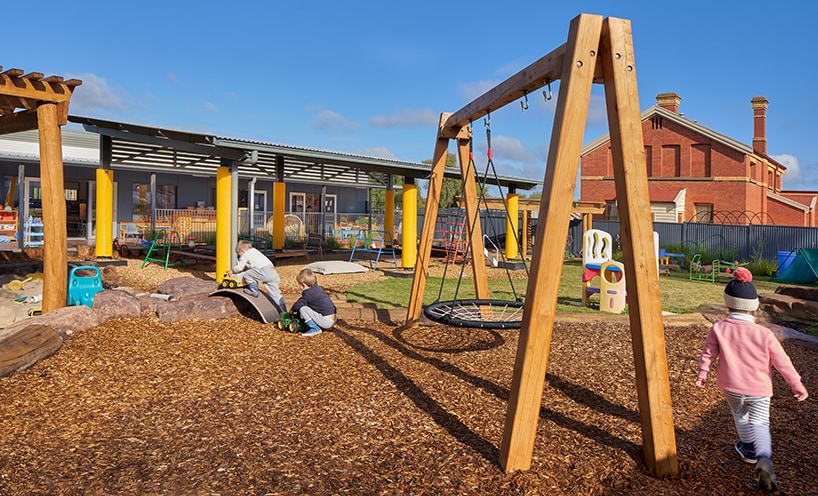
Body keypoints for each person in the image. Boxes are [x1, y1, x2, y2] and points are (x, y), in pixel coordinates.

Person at [695, 267, 808, 493]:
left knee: (740, 415)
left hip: (731, 387)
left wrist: (702, 374)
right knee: (760, 422)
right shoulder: (764, 334)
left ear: (728, 304)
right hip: (759, 389)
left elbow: (708, 354)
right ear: (754, 307)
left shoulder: (719, 328)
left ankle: (747, 449)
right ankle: (763, 458)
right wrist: (796, 384)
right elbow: (782, 362)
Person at [227, 240, 286, 311]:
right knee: (276, 295)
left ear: (242, 251)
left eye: (239, 254)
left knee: (247, 274)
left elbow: (240, 268)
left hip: (263, 271)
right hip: (272, 272)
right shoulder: (255, 252)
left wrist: (232, 271)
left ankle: (253, 290)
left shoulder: (245, 254)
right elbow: (253, 265)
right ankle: (283, 312)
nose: (240, 256)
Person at [291, 268, 336, 337]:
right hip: (333, 319)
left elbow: (299, 304)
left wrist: (292, 309)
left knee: (303, 309)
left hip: (326, 322)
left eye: (299, 285)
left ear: (303, 285)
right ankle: (321, 325)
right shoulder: (318, 290)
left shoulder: (308, 294)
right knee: (312, 306)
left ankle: (315, 328)